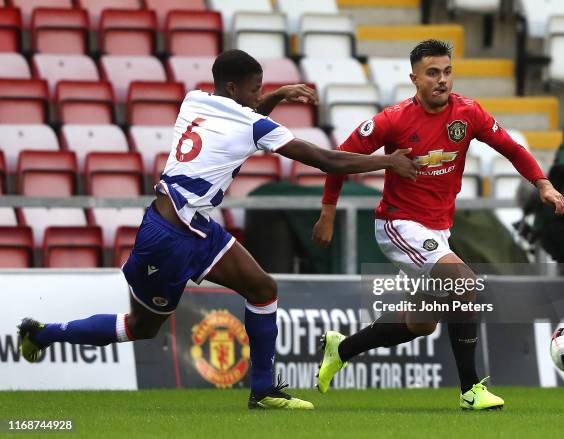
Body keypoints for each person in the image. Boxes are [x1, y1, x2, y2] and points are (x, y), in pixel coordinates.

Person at [18, 49, 418, 410]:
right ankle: (43, 334)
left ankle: (263, 391)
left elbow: (247, 114)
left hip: (196, 227)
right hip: (168, 239)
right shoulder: (252, 124)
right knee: (141, 327)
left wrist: (276, 96)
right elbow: (325, 159)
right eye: (255, 88)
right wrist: (388, 163)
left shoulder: (195, 99)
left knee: (263, 289)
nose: (260, 95)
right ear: (233, 87)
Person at [312, 39, 564, 411]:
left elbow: (511, 148)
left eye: (447, 71)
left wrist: (542, 184)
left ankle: (342, 348)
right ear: (414, 78)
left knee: (422, 322)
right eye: (433, 73)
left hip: (437, 230)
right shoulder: (393, 119)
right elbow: (339, 159)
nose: (442, 80)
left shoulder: (467, 113)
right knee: (464, 284)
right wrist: (328, 211)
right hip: (399, 225)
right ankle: (471, 389)